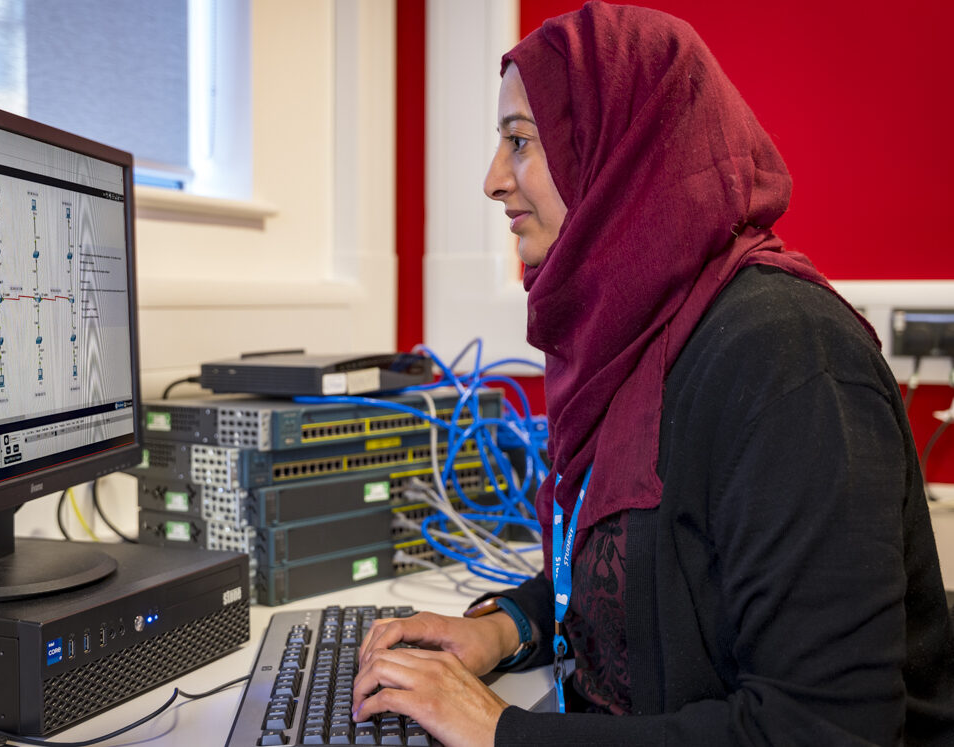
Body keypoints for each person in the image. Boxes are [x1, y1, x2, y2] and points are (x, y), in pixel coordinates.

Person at [351, 2, 954, 745]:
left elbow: (822, 729)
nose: (492, 180)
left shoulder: (790, 357)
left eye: (519, 141)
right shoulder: (637, 329)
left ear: (621, 150)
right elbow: (650, 576)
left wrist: (501, 730)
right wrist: (510, 628)